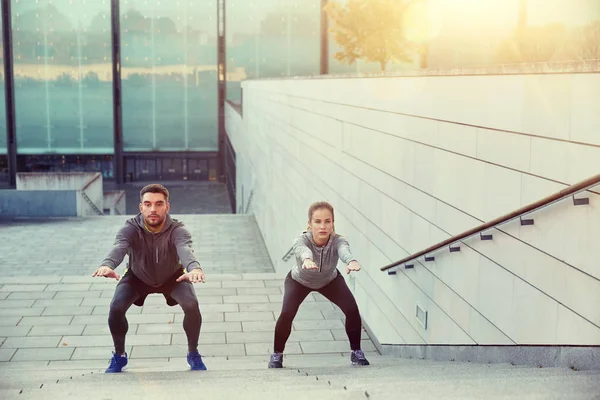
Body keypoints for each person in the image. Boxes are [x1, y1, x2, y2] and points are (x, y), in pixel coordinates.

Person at [92, 184, 207, 373]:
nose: (153, 209)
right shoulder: (130, 228)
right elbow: (119, 247)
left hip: (173, 277)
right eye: (148, 204)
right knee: (116, 307)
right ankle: (119, 355)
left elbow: (184, 249)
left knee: (191, 305)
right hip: (137, 276)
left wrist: (194, 268)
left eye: (159, 204)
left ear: (167, 207)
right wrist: (108, 265)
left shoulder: (177, 229)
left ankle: (193, 353)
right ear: (141, 207)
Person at [268, 201, 370, 368]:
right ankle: (277, 354)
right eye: (318, 221)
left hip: (329, 280)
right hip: (299, 281)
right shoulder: (301, 240)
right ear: (310, 224)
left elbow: (344, 251)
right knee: (286, 313)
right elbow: (302, 250)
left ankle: (356, 352)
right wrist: (307, 259)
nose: (323, 226)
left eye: (327, 221)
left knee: (352, 310)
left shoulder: (338, 241)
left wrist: (351, 261)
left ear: (332, 223)